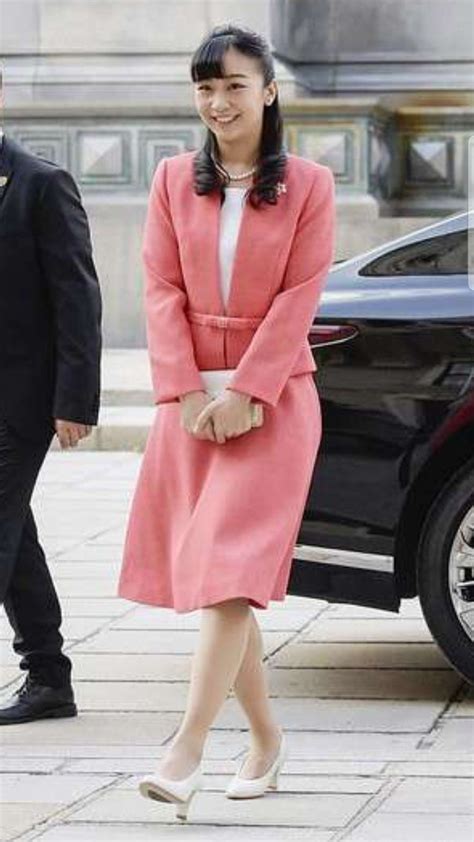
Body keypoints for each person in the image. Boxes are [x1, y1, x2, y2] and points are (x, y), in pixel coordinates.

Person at [117, 24, 336, 820]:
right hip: (189, 406)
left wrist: (248, 390)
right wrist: (181, 392)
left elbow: (299, 296)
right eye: (205, 87)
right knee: (220, 581)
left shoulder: (310, 184)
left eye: (235, 85)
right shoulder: (173, 178)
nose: (218, 102)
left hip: (273, 403)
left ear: (269, 91)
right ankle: (268, 741)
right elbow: (159, 288)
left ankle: (186, 751)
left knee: (231, 570)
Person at [0, 78, 102, 724]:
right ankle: (49, 674)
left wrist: (77, 399)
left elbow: (78, 298)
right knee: (16, 533)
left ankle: (46, 672)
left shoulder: (40, 183)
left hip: (21, 398)